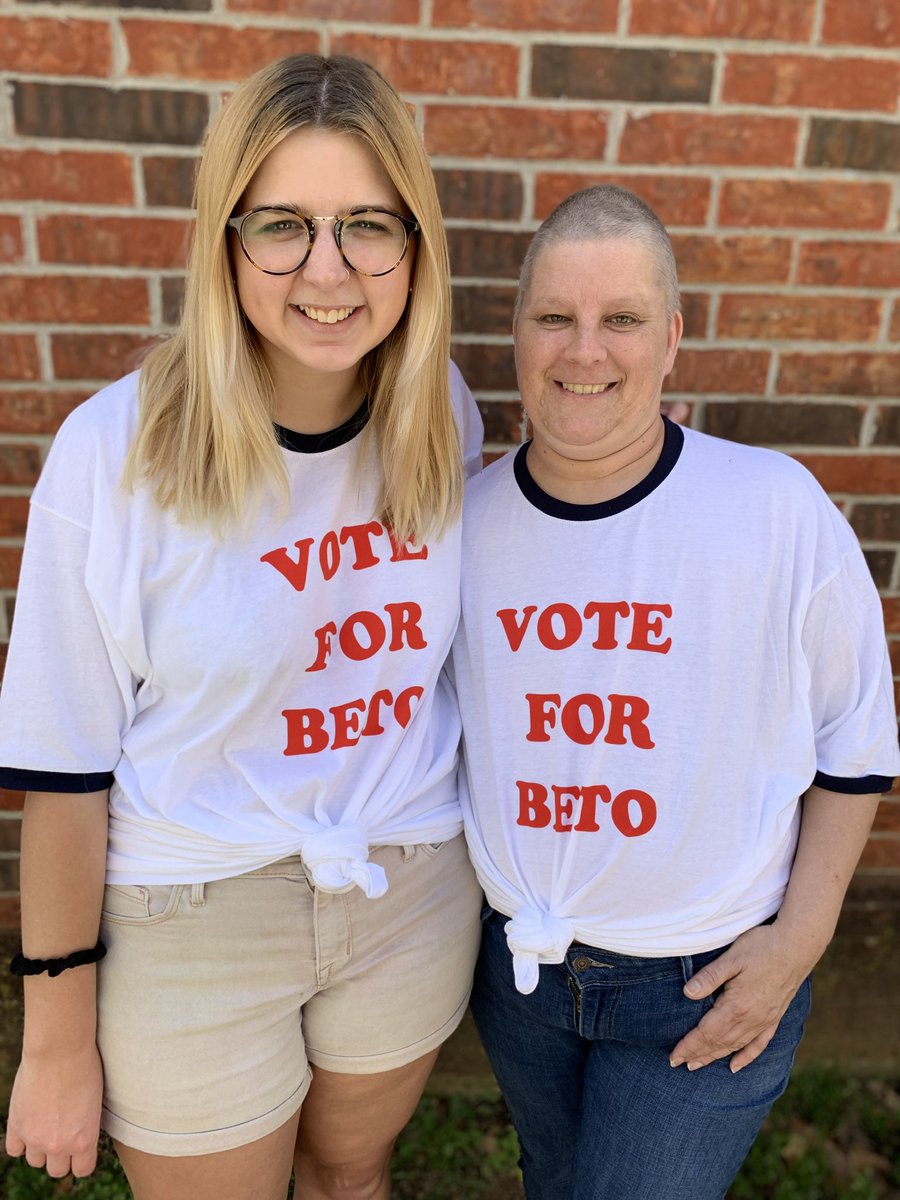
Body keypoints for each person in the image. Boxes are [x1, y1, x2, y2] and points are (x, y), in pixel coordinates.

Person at [0, 54, 484, 1200]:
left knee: (350, 1177)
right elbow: (64, 771)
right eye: (283, 225)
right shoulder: (115, 456)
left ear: (417, 247)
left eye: (370, 224)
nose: (329, 270)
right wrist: (57, 1036)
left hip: (405, 885)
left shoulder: (440, 416)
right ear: (225, 243)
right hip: (191, 910)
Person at [450, 184, 900, 1200]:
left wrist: (802, 941)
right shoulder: (462, 524)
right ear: (515, 332)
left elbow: (855, 741)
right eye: (554, 318)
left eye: (622, 320)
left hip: (702, 984)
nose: (584, 352)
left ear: (673, 339)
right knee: (556, 1180)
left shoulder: (773, 508)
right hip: (521, 978)